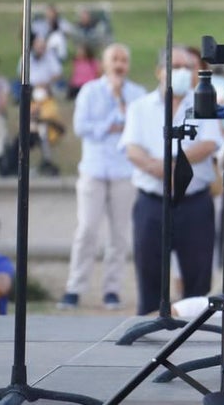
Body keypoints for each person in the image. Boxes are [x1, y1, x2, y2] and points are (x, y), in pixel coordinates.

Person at [123, 45, 223, 315]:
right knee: (149, 274)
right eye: (175, 66)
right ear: (159, 71)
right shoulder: (140, 107)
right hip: (152, 202)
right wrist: (158, 168)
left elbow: (210, 143)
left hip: (194, 204)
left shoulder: (205, 103)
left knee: (198, 276)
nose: (182, 72)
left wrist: (172, 164)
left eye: (187, 67)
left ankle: (194, 330)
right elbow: (132, 148)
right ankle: (149, 328)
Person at [57, 43, 147, 311]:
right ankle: (75, 287)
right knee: (86, 230)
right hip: (94, 169)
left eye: (123, 59)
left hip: (124, 171)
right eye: (114, 59)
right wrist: (110, 123)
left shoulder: (137, 94)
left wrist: (120, 100)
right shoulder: (90, 91)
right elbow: (81, 127)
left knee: (119, 234)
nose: (119, 64)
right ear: (105, 64)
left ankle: (112, 290)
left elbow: (136, 128)